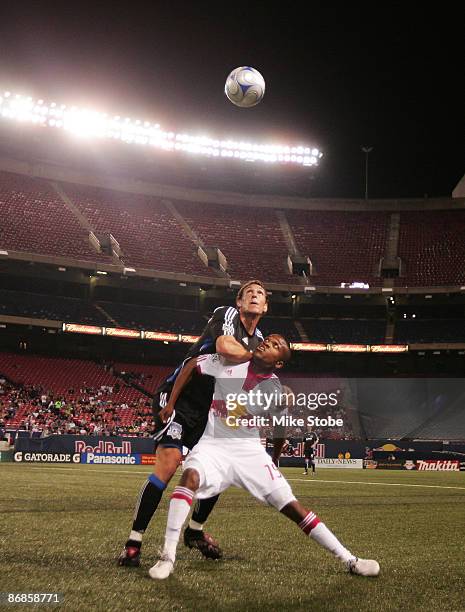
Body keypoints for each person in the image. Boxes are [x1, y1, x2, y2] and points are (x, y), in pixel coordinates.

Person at [148, 334, 380, 580]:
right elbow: (192, 364)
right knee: (190, 477)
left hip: (249, 452)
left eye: (276, 345)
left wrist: (275, 458)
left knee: (292, 506)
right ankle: (167, 557)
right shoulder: (228, 362)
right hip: (213, 445)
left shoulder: (274, 389)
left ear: (278, 363)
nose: (267, 342)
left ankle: (351, 560)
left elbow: (280, 428)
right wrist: (171, 402)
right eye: (267, 339)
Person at [118, 280, 270, 566]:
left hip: (210, 410)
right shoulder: (226, 315)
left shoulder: (260, 338)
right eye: (248, 292)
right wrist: (257, 358)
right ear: (239, 302)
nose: (254, 295)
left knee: (221, 469)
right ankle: (133, 542)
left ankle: (195, 531)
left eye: (260, 293)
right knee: (169, 464)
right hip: (179, 398)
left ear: (265, 306)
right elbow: (225, 347)